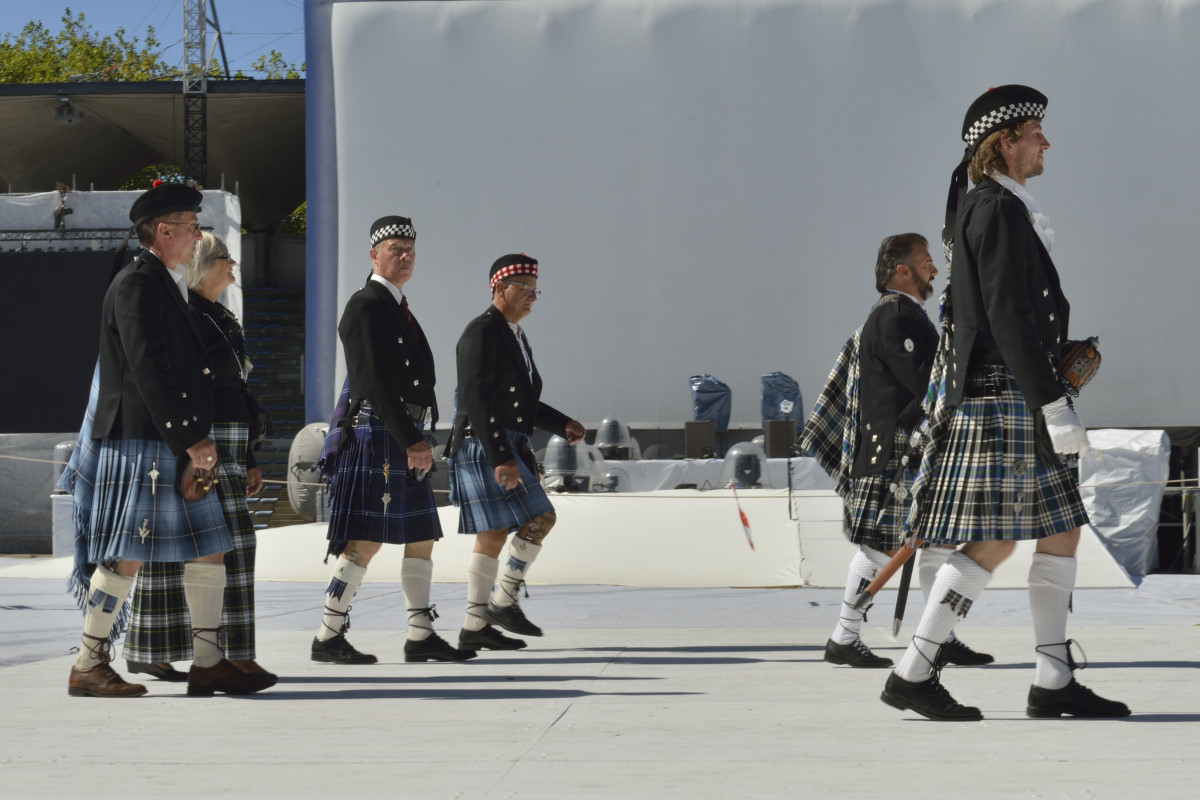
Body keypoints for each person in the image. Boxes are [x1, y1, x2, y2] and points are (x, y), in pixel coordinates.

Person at [880, 85, 1129, 720]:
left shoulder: (999, 206)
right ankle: (914, 670)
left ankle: (1052, 679)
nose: (1045, 143)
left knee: (1061, 530)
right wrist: (1051, 402)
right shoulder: (992, 208)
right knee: (992, 541)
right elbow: (1006, 315)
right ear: (1005, 143)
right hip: (1004, 397)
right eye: (1035, 133)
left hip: (1012, 392)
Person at [65, 183, 273, 697]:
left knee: (210, 547)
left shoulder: (166, 282)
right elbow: (148, 368)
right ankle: (88, 664)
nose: (197, 234)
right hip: (141, 440)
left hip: (165, 440)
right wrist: (192, 437)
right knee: (126, 554)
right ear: (164, 232)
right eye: (192, 226)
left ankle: (208, 663)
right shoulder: (138, 284)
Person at [815, 233, 992, 669]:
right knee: (879, 548)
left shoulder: (906, 315)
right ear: (902, 270)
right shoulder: (895, 316)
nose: (934, 270)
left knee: (933, 548)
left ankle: (941, 635)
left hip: (907, 449)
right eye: (926, 262)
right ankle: (843, 636)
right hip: (895, 452)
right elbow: (926, 385)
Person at [311, 216, 473, 664]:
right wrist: (411, 439)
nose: (405, 257)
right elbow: (374, 381)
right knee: (364, 540)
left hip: (404, 432)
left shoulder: (397, 306)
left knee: (421, 535)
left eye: (410, 250)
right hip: (383, 432)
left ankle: (420, 634)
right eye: (395, 249)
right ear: (374, 255)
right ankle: (328, 634)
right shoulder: (365, 305)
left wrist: (417, 434)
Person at [121, 232, 275, 685]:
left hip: (227, 440)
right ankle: (224, 654)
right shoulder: (187, 314)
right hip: (201, 441)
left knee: (205, 548)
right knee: (218, 545)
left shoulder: (221, 317)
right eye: (226, 258)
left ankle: (175, 650)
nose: (233, 267)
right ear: (204, 264)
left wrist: (248, 456)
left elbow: (238, 390)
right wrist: (190, 443)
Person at [445, 254, 586, 651]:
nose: (532, 297)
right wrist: (500, 457)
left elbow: (523, 402)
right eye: (523, 288)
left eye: (534, 289)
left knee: (491, 536)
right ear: (498, 288)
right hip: (484, 442)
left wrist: (563, 424)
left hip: (501, 441)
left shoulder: (514, 336)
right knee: (542, 516)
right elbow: (475, 398)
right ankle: (504, 602)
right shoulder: (481, 332)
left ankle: (474, 627)